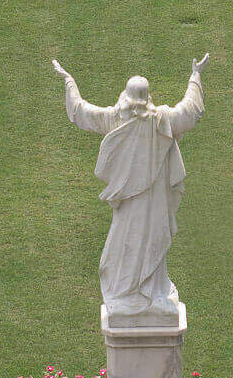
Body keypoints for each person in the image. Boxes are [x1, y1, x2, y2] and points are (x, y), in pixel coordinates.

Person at [54, 53, 209, 320]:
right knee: (152, 242)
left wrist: (69, 81)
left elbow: (82, 112)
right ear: (148, 98)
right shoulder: (162, 119)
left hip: (130, 205)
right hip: (155, 202)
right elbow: (190, 110)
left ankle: (133, 293)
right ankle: (151, 292)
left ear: (125, 98)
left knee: (127, 244)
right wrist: (195, 76)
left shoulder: (117, 118)